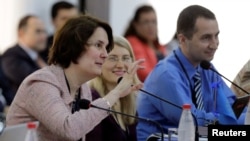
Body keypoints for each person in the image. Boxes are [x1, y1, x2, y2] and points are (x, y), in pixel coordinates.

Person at [6, 15, 144, 141]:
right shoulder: (41, 83)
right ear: (75, 46)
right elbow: (69, 129)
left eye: (106, 48)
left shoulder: (82, 88)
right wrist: (115, 93)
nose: (105, 54)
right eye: (98, 45)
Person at [136, 5, 246, 141]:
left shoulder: (206, 68)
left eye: (216, 36)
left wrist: (241, 119)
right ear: (182, 39)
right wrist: (226, 122)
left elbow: (232, 108)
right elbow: (192, 121)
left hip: (199, 134)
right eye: (206, 38)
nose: (214, 44)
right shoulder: (167, 74)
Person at [87, 35, 141, 141]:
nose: (120, 65)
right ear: (99, 62)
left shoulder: (130, 98)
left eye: (126, 58)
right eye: (112, 58)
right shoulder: (91, 98)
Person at [1, 15, 47, 96]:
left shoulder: (43, 55)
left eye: (44, 31)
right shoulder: (11, 56)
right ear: (21, 33)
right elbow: (36, 83)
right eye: (38, 31)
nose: (44, 37)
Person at [124, 4, 166, 82]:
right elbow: (144, 73)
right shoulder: (132, 42)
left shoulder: (159, 46)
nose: (151, 26)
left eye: (154, 22)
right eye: (146, 22)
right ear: (136, 25)